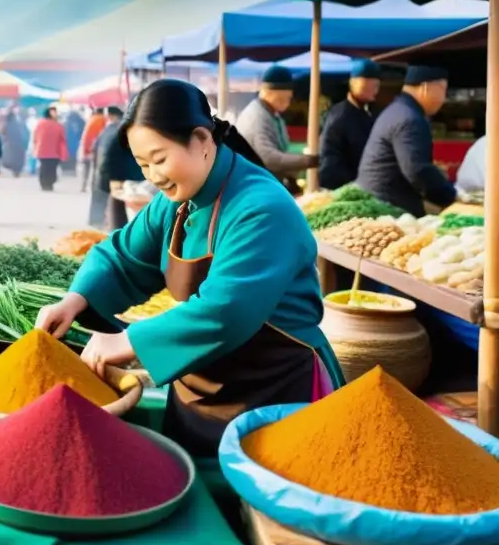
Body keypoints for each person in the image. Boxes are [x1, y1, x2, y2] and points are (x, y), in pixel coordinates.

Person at [35, 80, 342, 457]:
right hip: (203, 382)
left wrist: (127, 340)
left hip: (274, 388)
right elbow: (124, 256)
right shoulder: (177, 197)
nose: (153, 176)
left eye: (160, 159)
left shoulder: (262, 208)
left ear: (201, 139)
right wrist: (75, 300)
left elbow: (226, 310)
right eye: (143, 164)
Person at [357, 65, 457, 216]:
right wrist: (453, 198)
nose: (444, 98)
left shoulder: (398, 109)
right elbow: (418, 171)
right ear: (425, 88)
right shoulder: (410, 119)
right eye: (443, 90)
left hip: (378, 199)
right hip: (388, 208)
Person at [236, 66, 316, 189]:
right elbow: (268, 158)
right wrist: (307, 161)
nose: (289, 102)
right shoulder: (256, 116)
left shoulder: (272, 114)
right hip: (253, 187)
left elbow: (281, 150)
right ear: (272, 93)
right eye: (287, 97)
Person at [319, 59, 381, 190]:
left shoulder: (370, 111)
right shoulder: (340, 115)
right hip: (342, 188)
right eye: (370, 86)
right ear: (353, 84)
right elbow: (330, 161)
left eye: (376, 86)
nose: (375, 91)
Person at [89, 106, 138, 230]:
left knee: (112, 204)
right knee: (118, 206)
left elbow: (95, 149)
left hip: (106, 172)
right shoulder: (125, 130)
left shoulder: (111, 129)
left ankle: (101, 224)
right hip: (117, 175)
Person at [32, 106, 68, 191]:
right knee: (52, 168)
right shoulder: (59, 126)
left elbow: (35, 138)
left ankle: (44, 183)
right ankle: (49, 183)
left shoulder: (40, 124)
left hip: (42, 151)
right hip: (55, 152)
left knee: (44, 168)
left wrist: (35, 147)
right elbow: (62, 140)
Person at [80, 106, 107, 192]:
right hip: (96, 147)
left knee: (87, 167)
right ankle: (94, 186)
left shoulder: (91, 119)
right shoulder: (102, 119)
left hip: (87, 147)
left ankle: (84, 185)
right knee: (96, 168)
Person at [0, 107, 28, 178]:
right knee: (17, 159)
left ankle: (14, 171)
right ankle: (17, 171)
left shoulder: (5, 124)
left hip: (9, 145)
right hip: (19, 145)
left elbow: (2, 133)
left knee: (9, 158)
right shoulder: (19, 124)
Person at [63, 107, 85, 175]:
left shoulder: (66, 122)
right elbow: (83, 131)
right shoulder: (81, 121)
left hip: (67, 143)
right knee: (74, 155)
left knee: (66, 155)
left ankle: (65, 169)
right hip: (76, 142)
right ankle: (72, 169)